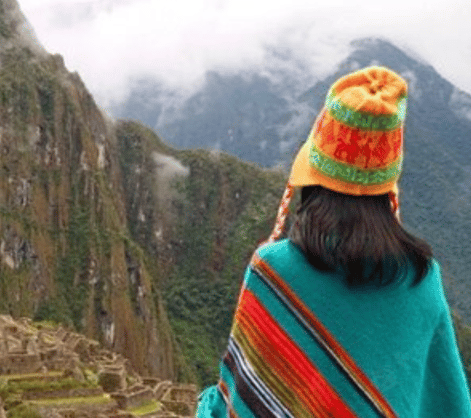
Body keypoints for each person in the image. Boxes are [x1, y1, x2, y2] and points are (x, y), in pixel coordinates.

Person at [196, 66, 471, 417]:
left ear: (313, 177)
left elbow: (234, 403)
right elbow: (447, 403)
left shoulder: (272, 269)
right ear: (387, 186)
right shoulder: (422, 279)